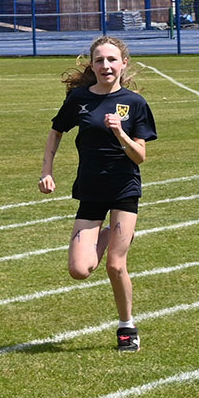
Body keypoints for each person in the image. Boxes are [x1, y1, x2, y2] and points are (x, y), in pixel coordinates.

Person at [40, 36, 158, 351]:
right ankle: (106, 235)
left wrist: (120, 132)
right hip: (90, 189)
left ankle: (126, 327)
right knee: (79, 270)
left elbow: (140, 156)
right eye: (99, 60)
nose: (105, 65)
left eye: (111, 59)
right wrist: (46, 171)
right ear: (92, 65)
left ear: (124, 64)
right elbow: (56, 132)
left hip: (123, 190)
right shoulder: (79, 98)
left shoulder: (134, 104)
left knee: (115, 265)